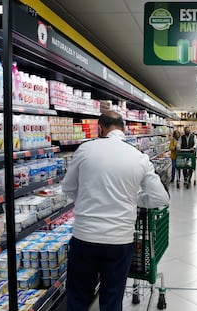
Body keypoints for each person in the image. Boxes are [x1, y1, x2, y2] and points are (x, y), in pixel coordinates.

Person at [62, 111, 170, 311]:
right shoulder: (139, 157)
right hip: (119, 240)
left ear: (99, 128)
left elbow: (67, 188)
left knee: (78, 296)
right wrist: (134, 199)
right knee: (112, 298)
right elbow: (161, 198)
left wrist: (89, 199)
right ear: (124, 129)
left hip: (85, 236)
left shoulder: (85, 150)